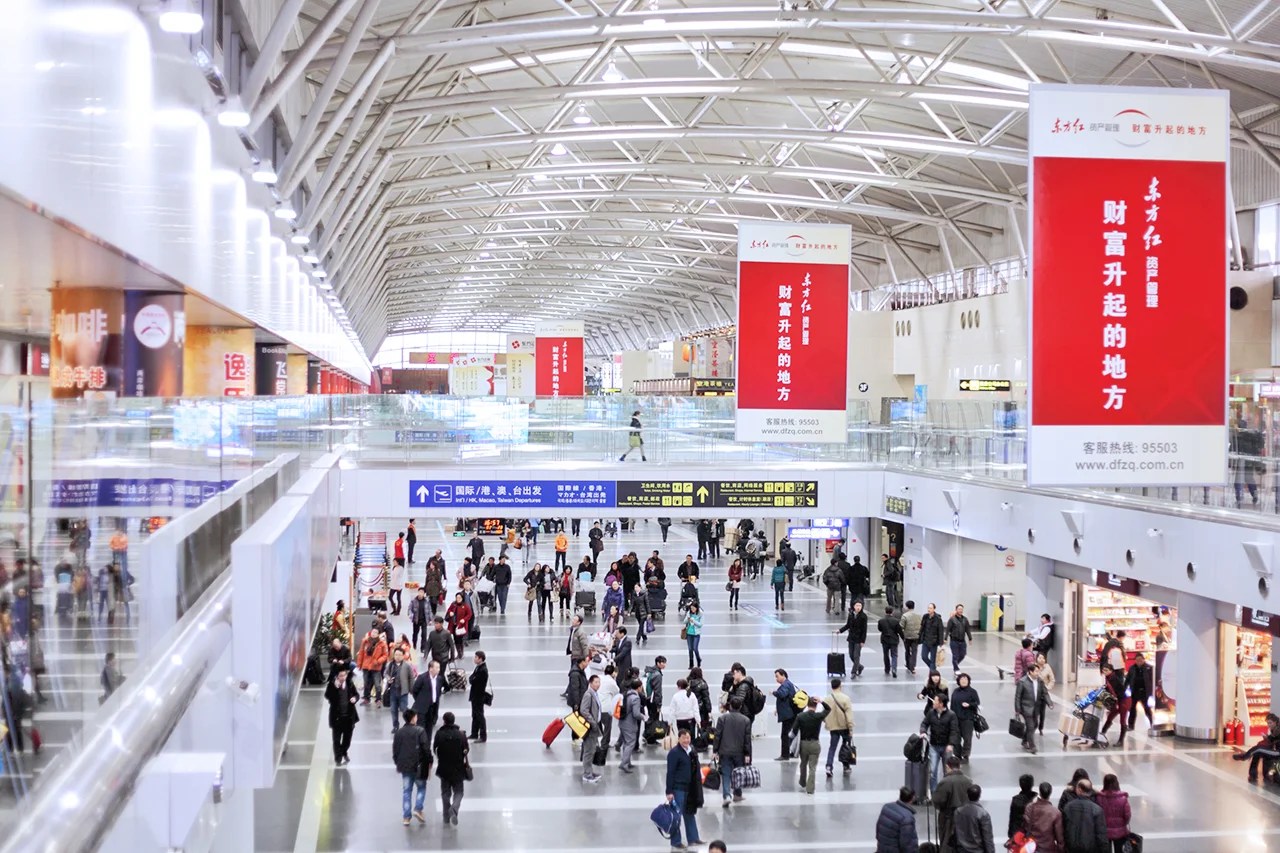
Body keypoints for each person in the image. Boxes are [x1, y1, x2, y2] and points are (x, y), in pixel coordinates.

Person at [664, 727, 704, 850]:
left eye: (688, 737)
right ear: (679, 739)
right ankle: (676, 842)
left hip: (690, 788)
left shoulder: (692, 751)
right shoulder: (674, 753)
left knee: (689, 813)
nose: (686, 740)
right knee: (676, 816)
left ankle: (693, 838)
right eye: (684, 738)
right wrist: (669, 791)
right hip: (678, 789)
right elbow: (670, 773)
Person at [393, 709, 430, 825]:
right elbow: (425, 748)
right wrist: (429, 761)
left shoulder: (399, 733)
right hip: (418, 765)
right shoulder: (420, 731)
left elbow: (396, 750)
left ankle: (406, 817)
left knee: (407, 791)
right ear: (413, 718)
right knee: (421, 787)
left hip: (405, 765)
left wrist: (397, 762)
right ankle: (418, 808)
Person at [713, 696, 753, 805]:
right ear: (740, 706)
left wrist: (715, 750)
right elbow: (747, 739)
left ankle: (726, 795)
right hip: (739, 752)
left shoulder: (722, 719)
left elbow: (717, 735)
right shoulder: (746, 720)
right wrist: (747, 753)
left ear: (730, 706)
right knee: (738, 773)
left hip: (724, 751)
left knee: (726, 774)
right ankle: (737, 794)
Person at [434, 711, 470, 827]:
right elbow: (466, 750)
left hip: (444, 768)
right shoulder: (461, 734)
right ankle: (454, 809)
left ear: (444, 721)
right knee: (459, 791)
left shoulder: (439, 734)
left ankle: (446, 816)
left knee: (445, 793)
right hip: (458, 768)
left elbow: (435, 749)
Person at [933, 754, 973, 847]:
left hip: (948, 819)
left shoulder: (945, 782)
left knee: (947, 843)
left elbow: (938, 801)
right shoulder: (968, 781)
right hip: (965, 817)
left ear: (947, 767)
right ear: (960, 766)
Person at [923, 694, 960, 793]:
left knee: (947, 771)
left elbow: (954, 730)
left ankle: (946, 792)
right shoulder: (931, 713)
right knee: (932, 771)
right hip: (934, 745)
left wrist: (951, 744)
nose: (933, 702)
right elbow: (925, 723)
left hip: (946, 746)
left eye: (935, 701)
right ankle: (934, 792)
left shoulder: (951, 715)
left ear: (941, 703)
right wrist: (923, 732)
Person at [794, 696, 830, 795]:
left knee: (803, 764)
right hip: (815, 744)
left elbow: (794, 731)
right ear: (816, 705)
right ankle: (810, 789)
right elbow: (828, 709)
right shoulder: (818, 716)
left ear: (807, 704)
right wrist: (821, 701)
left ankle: (802, 782)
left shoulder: (800, 716)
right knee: (812, 767)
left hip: (803, 744)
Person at [1015, 663, 1053, 754]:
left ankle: (1024, 739)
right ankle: (1032, 746)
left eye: (1038, 671)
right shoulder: (1022, 682)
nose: (1038, 673)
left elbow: (1045, 693)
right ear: (1030, 672)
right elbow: (1018, 697)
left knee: (1035, 724)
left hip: (1036, 708)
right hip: (1026, 708)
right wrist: (1017, 709)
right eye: (1036, 671)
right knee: (1031, 726)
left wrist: (1049, 703)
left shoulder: (1040, 681)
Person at [325, 668, 360, 765]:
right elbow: (327, 696)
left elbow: (357, 694)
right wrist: (335, 688)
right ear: (337, 676)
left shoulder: (349, 684)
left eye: (344, 675)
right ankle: (338, 757)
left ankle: (344, 751)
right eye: (341, 676)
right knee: (336, 739)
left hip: (348, 717)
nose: (343, 678)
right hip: (337, 718)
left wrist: (355, 698)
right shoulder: (332, 685)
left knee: (347, 739)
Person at [1061, 779, 1107, 853]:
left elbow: (1064, 829)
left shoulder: (1068, 807)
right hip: (1091, 849)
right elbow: (1101, 835)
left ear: (1079, 790)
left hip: (1072, 848)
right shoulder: (1097, 810)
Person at [1233, 711, 1280, 780]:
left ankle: (1245, 756)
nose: (1269, 725)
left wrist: (1267, 738)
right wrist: (1267, 738)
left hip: (1277, 752)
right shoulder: (1274, 729)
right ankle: (1253, 774)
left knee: (1259, 749)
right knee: (1257, 753)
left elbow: (1272, 739)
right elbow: (1272, 740)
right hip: (1275, 750)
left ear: (1275, 722)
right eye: (1268, 723)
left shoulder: (1277, 730)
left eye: (1270, 723)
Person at [823, 677, 855, 777]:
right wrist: (850, 727)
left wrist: (827, 722)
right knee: (845, 746)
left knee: (832, 747)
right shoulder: (845, 698)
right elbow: (849, 715)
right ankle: (846, 765)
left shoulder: (827, 699)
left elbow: (824, 714)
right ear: (840, 686)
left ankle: (829, 766)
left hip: (833, 727)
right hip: (844, 726)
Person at [411, 659, 449, 742]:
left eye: (439, 668)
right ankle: (420, 744)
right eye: (437, 667)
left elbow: (442, 689)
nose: (439, 669)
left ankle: (427, 745)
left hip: (433, 706)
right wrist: (420, 700)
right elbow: (414, 690)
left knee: (429, 727)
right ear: (430, 668)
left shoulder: (439, 679)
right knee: (421, 728)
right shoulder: (422, 678)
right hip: (422, 707)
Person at [875, 787, 921, 852]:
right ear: (913, 798)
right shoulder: (907, 818)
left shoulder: (887, 807)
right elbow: (907, 844)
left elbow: (878, 829)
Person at [1095, 774, 1132, 853]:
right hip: (1120, 832)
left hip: (1104, 831)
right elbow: (1127, 815)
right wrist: (1123, 824)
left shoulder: (1099, 797)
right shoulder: (1123, 798)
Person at [955, 784, 996, 853]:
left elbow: (956, 831)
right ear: (979, 795)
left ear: (967, 795)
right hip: (977, 850)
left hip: (962, 850)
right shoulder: (983, 814)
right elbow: (987, 837)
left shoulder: (958, 811)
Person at [1025, 781, 1065, 853]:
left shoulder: (1030, 807)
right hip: (1048, 848)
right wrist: (1061, 848)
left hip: (1032, 847)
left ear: (1040, 792)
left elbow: (1026, 826)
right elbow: (1059, 836)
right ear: (1050, 793)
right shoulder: (1055, 812)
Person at [579, 674, 604, 783]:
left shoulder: (594, 694)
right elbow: (584, 710)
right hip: (590, 727)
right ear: (590, 683)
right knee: (588, 751)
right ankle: (587, 774)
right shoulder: (588, 695)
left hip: (594, 725)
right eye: (596, 682)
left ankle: (590, 771)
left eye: (599, 682)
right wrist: (593, 722)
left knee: (591, 749)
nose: (598, 684)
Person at [952, 672, 981, 762]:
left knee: (967, 738)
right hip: (956, 718)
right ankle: (958, 754)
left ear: (968, 681)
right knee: (955, 738)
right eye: (962, 679)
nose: (964, 681)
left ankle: (965, 755)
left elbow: (977, 703)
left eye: (965, 679)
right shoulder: (955, 691)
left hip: (968, 719)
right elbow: (952, 705)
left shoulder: (972, 692)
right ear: (958, 681)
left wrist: (969, 705)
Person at [1098, 664, 1129, 747]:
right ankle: (1102, 733)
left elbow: (1120, 692)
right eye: (1104, 670)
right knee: (1110, 717)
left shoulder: (1114, 679)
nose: (1105, 672)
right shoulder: (1108, 678)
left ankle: (1121, 741)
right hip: (1118, 701)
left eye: (1106, 670)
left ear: (1111, 671)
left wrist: (1118, 704)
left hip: (1123, 701)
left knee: (1122, 721)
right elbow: (1108, 689)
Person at [618, 676, 645, 773]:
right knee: (630, 744)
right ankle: (624, 764)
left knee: (626, 743)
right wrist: (643, 717)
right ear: (639, 687)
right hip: (629, 724)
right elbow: (636, 714)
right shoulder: (636, 698)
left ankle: (627, 762)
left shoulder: (626, 694)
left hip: (622, 722)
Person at [386, 646, 415, 733]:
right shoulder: (390, 665)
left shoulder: (407, 666)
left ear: (403, 656)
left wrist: (411, 689)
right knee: (393, 709)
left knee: (403, 708)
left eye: (399, 655)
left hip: (403, 691)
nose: (397, 656)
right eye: (396, 654)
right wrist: (388, 679)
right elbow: (386, 673)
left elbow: (411, 677)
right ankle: (395, 726)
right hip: (393, 690)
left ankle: (408, 723)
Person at [356, 629, 389, 707]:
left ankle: (378, 699)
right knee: (366, 683)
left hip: (376, 666)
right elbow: (361, 653)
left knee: (377, 684)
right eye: (373, 632)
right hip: (366, 666)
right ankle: (366, 698)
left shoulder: (382, 643)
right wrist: (359, 664)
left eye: (376, 633)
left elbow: (385, 655)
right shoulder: (365, 642)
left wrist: (378, 661)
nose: (374, 634)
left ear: (378, 634)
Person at [1124, 653, 1154, 733]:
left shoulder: (1149, 668)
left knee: (1147, 709)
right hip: (1135, 691)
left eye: (1140, 660)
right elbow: (1128, 679)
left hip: (1145, 692)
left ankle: (1152, 724)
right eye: (1137, 660)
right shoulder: (1132, 668)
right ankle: (1130, 725)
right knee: (1132, 709)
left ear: (1143, 660)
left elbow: (1153, 680)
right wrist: (1125, 688)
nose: (1139, 662)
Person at [772, 668, 799, 760]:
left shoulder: (786, 685)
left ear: (783, 675)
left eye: (777, 676)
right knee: (789, 734)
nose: (776, 679)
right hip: (790, 713)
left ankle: (785, 755)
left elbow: (782, 694)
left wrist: (774, 692)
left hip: (788, 715)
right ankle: (790, 752)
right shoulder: (788, 684)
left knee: (785, 735)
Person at [837, 600, 868, 677]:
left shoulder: (863, 616)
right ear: (854, 606)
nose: (858, 607)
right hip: (851, 638)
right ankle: (859, 666)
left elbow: (864, 630)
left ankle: (853, 672)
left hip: (859, 639)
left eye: (860, 606)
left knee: (856, 655)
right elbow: (848, 625)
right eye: (857, 605)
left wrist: (863, 641)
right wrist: (840, 630)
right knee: (851, 654)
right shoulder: (851, 615)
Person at [467, 650, 489, 742]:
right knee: (474, 715)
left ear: (480, 659)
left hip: (478, 696)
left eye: (476, 657)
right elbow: (471, 678)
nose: (474, 659)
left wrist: (472, 678)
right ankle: (474, 733)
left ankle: (483, 736)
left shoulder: (482, 670)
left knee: (479, 715)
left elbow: (472, 680)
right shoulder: (478, 667)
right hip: (475, 695)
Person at [947, 604, 973, 675]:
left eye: (961, 609)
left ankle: (955, 664)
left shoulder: (965, 619)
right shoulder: (952, 619)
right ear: (956, 610)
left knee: (963, 654)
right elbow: (948, 629)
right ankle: (956, 669)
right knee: (955, 655)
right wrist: (945, 638)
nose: (960, 610)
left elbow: (967, 629)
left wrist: (970, 638)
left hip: (962, 641)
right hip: (954, 641)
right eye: (959, 609)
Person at [1009, 774, 1037, 840]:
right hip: (1033, 835)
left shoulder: (1015, 800)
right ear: (1032, 784)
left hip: (1018, 835)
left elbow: (1012, 819)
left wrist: (1011, 835)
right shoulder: (1035, 800)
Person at [878, 606, 904, 677]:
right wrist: (903, 638)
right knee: (894, 655)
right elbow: (899, 631)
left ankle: (887, 668)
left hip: (884, 639)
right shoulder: (896, 621)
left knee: (886, 655)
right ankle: (894, 669)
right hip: (894, 639)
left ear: (885, 611)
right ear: (892, 612)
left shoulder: (881, 620)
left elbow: (880, 629)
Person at [446, 592, 474, 659]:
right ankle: (459, 653)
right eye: (457, 598)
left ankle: (461, 653)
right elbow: (449, 610)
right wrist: (450, 613)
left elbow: (469, 614)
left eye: (459, 598)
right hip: (453, 625)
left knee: (460, 639)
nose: (458, 599)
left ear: (462, 598)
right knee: (455, 639)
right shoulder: (453, 604)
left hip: (461, 626)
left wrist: (464, 619)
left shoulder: (465, 605)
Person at [899, 600, 923, 676]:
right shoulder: (919, 615)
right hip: (916, 636)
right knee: (914, 651)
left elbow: (901, 626)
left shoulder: (905, 616)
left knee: (907, 651)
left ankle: (908, 664)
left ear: (906, 607)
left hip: (907, 636)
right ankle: (913, 666)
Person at [1035, 653, 1056, 734]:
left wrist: (1047, 688)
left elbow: (1052, 680)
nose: (1042, 659)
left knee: (1042, 712)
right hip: (1035, 693)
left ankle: (1041, 728)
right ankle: (1034, 726)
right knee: (1035, 712)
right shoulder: (1033, 667)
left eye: (1043, 658)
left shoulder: (1047, 667)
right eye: (1040, 658)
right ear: (1036, 659)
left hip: (1043, 693)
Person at [920, 602, 944, 671]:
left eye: (930, 608)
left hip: (934, 642)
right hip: (925, 640)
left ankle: (933, 672)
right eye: (928, 608)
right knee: (924, 656)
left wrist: (941, 643)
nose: (929, 609)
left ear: (934, 609)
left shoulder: (938, 618)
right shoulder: (925, 616)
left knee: (933, 659)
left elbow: (940, 631)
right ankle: (933, 668)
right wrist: (920, 637)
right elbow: (922, 627)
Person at [684, 603, 703, 668]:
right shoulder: (689, 613)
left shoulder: (700, 614)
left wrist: (694, 621)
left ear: (696, 608)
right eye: (691, 608)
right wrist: (688, 619)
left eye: (693, 608)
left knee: (695, 648)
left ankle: (698, 660)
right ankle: (691, 663)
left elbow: (700, 624)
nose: (692, 610)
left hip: (696, 634)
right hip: (689, 633)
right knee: (690, 649)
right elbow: (684, 621)